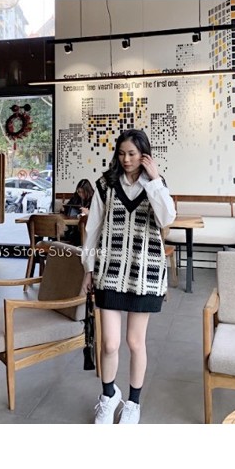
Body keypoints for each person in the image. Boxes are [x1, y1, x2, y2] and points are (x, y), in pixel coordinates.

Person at [80, 129, 176, 424]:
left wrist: (155, 180)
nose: (126, 159)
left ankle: (133, 403)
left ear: (144, 154)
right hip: (109, 271)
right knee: (109, 343)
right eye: (121, 153)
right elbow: (93, 228)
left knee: (135, 342)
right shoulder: (105, 185)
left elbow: (167, 219)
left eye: (132, 153)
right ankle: (108, 396)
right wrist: (88, 268)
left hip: (144, 273)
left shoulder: (156, 185)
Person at [62, 179, 94, 245]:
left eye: (83, 192)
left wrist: (89, 212)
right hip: (75, 226)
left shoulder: (94, 198)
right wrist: (64, 208)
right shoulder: (76, 196)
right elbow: (69, 206)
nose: (81, 194)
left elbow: (99, 214)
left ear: (88, 191)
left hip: (89, 227)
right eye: (79, 192)